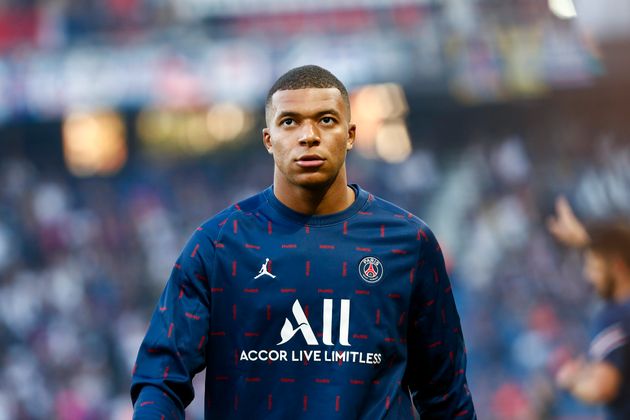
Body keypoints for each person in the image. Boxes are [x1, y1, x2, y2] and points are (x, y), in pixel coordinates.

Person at [131, 65, 476, 419]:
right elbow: (159, 378)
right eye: (289, 122)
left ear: (351, 134)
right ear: (268, 139)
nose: (308, 135)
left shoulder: (408, 243)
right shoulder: (217, 245)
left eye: (326, 120)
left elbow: (446, 396)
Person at [548, 197, 630, 419]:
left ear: (616, 266)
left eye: (594, 267)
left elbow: (603, 388)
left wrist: (571, 381)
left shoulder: (612, 317)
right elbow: (620, 247)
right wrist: (587, 241)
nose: (588, 275)